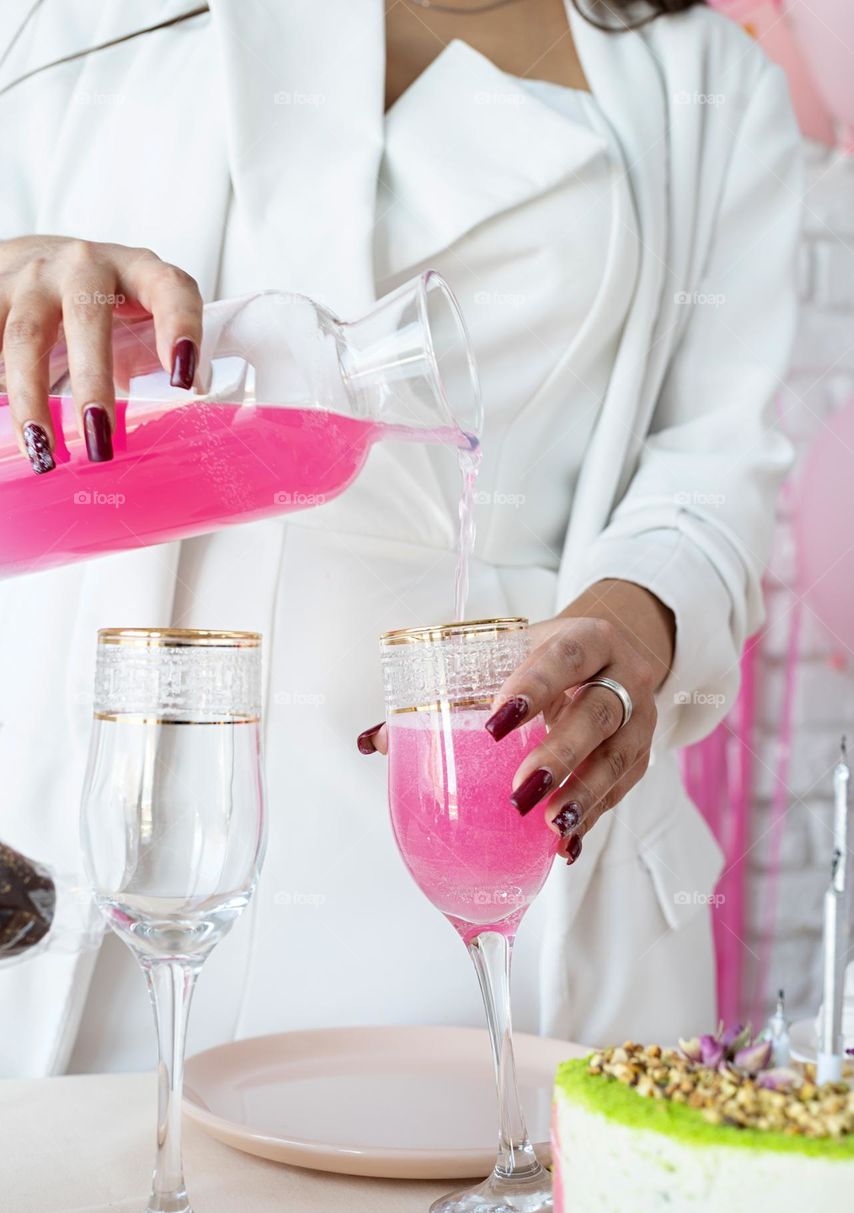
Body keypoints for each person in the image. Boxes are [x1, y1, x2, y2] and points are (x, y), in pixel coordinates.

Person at [0, 0, 802, 1076]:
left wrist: (643, 609)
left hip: (489, 825)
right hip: (126, 836)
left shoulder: (705, 82)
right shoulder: (64, 19)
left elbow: (714, 461)